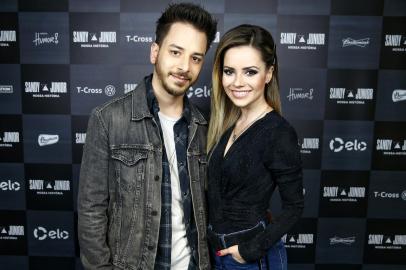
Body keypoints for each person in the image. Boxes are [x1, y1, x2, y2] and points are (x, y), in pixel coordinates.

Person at [77, 3, 217, 270]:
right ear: (155, 52)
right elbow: (91, 211)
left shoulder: (206, 126)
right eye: (176, 52)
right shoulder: (108, 119)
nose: (184, 66)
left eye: (196, 58)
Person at [206, 24, 304, 269]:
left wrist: (250, 250)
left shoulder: (278, 132)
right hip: (217, 253)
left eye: (250, 72)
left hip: (248, 258)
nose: (237, 82)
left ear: (269, 73)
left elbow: (294, 206)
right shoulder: (227, 124)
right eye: (229, 71)